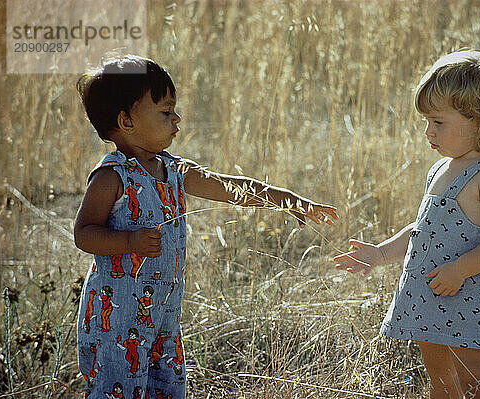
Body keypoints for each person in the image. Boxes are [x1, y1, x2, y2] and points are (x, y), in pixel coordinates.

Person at [74, 54, 339, 398]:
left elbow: (232, 188)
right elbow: (84, 233)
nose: (177, 120)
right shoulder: (113, 176)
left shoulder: (173, 170)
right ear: (126, 120)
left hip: (164, 318)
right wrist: (130, 240)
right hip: (118, 322)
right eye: (166, 112)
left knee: (165, 389)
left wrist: (290, 201)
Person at [333, 49, 480, 399]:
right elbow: (423, 231)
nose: (429, 131)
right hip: (432, 296)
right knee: (441, 382)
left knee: (476, 382)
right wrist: (379, 254)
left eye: (439, 122)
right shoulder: (441, 169)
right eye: (427, 121)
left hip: (470, 296)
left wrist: (460, 269)